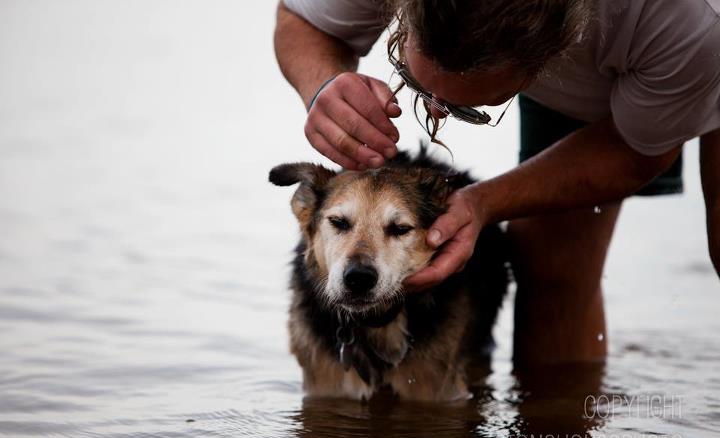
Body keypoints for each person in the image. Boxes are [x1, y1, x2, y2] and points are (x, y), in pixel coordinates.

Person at [273, 0, 720, 365]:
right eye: (410, 78)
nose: (433, 116)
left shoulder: (687, 20)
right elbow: (302, 18)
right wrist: (322, 83)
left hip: (683, 47)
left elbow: (638, 151)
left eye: (468, 110)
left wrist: (483, 203)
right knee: (549, 269)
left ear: (553, 56)